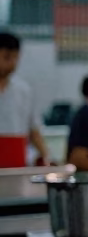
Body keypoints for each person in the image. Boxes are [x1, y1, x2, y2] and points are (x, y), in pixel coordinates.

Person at [0, 31, 50, 167]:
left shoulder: (23, 91)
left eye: (15, 58)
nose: (12, 63)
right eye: (6, 57)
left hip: (16, 159)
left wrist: (46, 156)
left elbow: (34, 130)